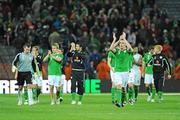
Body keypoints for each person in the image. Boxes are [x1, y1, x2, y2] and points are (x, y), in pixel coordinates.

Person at [109, 32, 133, 108]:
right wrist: (116, 40)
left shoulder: (128, 52)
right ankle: (118, 102)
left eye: (123, 44)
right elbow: (111, 49)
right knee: (119, 86)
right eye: (120, 44)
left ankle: (124, 101)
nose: (121, 45)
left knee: (123, 89)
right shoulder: (117, 51)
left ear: (125, 45)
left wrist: (124, 39)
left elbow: (131, 48)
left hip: (126, 72)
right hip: (118, 72)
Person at [107, 33, 117, 104]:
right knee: (114, 83)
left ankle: (119, 98)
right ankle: (113, 99)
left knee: (120, 84)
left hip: (120, 68)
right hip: (113, 68)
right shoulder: (110, 53)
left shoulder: (119, 52)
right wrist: (111, 68)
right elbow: (108, 62)